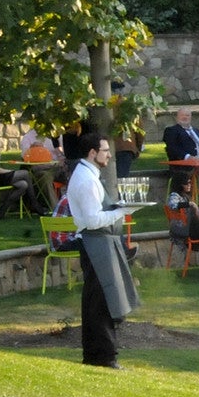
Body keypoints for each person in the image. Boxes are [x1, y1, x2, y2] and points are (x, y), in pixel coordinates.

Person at [67, 133, 139, 369]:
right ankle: (103, 357)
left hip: (100, 243)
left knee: (99, 301)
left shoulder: (88, 175)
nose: (109, 154)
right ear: (92, 153)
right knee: (101, 302)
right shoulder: (86, 180)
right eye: (105, 150)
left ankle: (97, 355)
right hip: (95, 243)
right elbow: (92, 219)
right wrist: (123, 211)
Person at [161, 107, 199, 196]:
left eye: (187, 115)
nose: (185, 117)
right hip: (184, 166)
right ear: (177, 117)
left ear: (191, 117)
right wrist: (188, 157)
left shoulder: (197, 131)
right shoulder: (172, 131)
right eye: (182, 115)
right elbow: (172, 148)